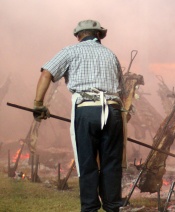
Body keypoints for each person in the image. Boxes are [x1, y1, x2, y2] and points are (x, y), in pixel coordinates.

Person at [33, 19, 125, 212]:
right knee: (112, 164)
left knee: (87, 162)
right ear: (99, 35)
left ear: (78, 36)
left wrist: (38, 104)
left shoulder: (70, 51)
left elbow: (46, 73)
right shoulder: (111, 55)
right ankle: (112, 207)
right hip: (113, 111)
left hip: (87, 109)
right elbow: (121, 91)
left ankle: (90, 209)